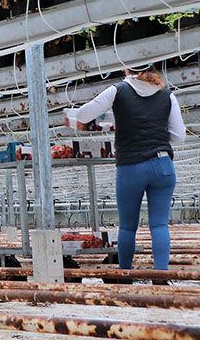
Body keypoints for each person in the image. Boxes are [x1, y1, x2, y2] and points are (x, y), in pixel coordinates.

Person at [70, 66, 186, 275]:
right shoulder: (168, 96)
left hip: (131, 167)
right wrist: (155, 136)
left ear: (125, 68)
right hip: (162, 165)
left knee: (128, 227)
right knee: (159, 225)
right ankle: (161, 275)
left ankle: (125, 273)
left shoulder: (118, 90)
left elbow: (83, 114)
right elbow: (179, 136)